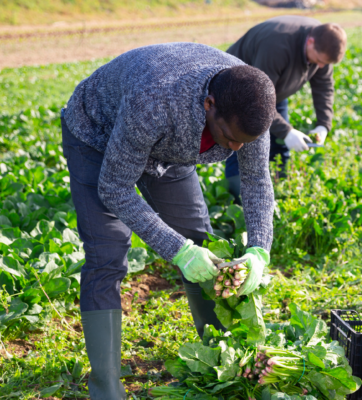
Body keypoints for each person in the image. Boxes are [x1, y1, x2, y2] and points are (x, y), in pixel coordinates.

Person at [61, 42, 276, 399]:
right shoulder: (155, 102)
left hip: (166, 146)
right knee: (107, 254)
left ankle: (216, 359)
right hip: (97, 137)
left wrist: (259, 250)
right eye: (230, 139)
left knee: (199, 239)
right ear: (210, 104)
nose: (236, 149)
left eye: (245, 142)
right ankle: (106, 387)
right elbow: (115, 188)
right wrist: (177, 250)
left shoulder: (250, 107)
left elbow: (256, 181)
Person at [223, 16, 347, 201]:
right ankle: (236, 203)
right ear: (311, 42)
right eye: (319, 60)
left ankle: (277, 192)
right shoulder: (276, 46)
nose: (321, 67)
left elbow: (324, 87)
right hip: (239, 90)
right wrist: (287, 131)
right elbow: (256, 100)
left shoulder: (323, 45)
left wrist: (323, 124)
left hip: (273, 90)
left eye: (325, 64)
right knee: (242, 145)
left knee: (279, 148)